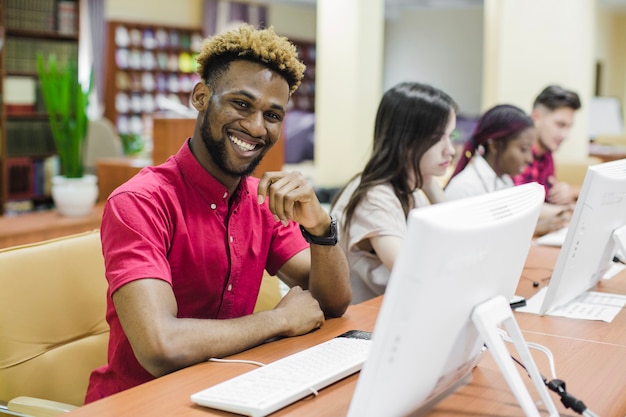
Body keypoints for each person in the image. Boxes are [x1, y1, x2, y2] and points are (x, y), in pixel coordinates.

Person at [85, 24, 351, 402]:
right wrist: (278, 321)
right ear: (200, 97)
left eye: (272, 115)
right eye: (241, 104)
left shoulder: (263, 200)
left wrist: (321, 225)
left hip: (233, 394)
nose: (256, 127)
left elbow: (332, 301)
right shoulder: (141, 202)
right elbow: (161, 346)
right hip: (140, 404)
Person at [330, 82, 457, 304]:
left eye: (451, 136)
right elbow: (412, 274)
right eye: (438, 138)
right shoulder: (374, 196)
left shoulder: (412, 190)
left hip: (393, 316)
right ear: (406, 140)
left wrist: (429, 184)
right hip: (360, 328)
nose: (451, 150)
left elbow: (454, 246)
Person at [445, 104, 536, 200]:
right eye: (524, 149)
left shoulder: (506, 182)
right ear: (495, 146)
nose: (529, 159)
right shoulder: (464, 189)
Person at [513, 85, 582, 205]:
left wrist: (567, 193)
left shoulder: (547, 155)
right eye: (560, 125)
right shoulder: (517, 154)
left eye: (569, 127)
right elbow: (520, 207)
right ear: (536, 118)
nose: (565, 135)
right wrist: (563, 211)